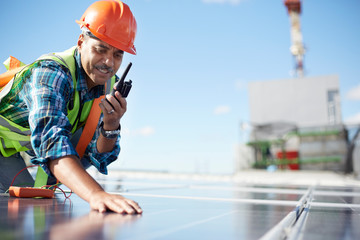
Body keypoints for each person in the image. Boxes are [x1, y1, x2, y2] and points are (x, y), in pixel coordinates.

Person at [0, 0, 142, 214]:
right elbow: (52, 142)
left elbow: (98, 156)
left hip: (30, 147)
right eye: (100, 49)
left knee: (33, 198)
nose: (109, 63)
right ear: (81, 42)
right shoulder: (51, 73)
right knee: (14, 213)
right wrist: (96, 194)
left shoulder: (108, 85)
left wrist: (111, 126)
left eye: (117, 54)